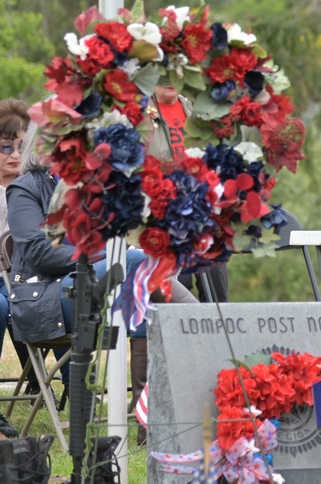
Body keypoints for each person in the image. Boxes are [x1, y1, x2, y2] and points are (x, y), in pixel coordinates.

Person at [5, 119, 197, 445]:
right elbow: (38, 252)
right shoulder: (24, 188)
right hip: (46, 298)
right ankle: (199, 337)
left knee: (148, 288)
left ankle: (154, 422)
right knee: (138, 264)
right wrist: (104, 252)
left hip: (102, 288)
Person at [150, 84, 229, 303]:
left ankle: (217, 333)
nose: (169, 79)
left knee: (216, 271)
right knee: (180, 284)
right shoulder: (140, 113)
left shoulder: (193, 111)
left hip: (197, 214)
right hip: (157, 218)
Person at [0, 97, 29, 438]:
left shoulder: (31, 188)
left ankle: (73, 387)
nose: (15, 156)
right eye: (6, 147)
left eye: (20, 146)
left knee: (57, 291)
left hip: (24, 276)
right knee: (7, 301)